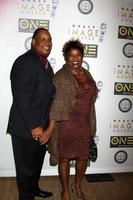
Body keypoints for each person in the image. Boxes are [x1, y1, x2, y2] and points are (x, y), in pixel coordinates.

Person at [41, 39, 98, 200]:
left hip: (84, 123)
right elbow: (56, 105)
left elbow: (91, 97)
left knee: (83, 157)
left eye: (78, 55)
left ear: (82, 56)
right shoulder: (61, 77)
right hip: (66, 124)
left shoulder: (86, 73)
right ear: (66, 57)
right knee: (64, 158)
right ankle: (65, 190)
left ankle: (77, 185)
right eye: (71, 55)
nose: (75, 58)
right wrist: (51, 129)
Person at [7, 28, 55, 200]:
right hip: (27, 128)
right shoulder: (25, 62)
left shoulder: (44, 63)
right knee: (26, 169)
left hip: (41, 128)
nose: (46, 42)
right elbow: (22, 96)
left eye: (49, 39)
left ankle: (34, 189)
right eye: (42, 39)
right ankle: (26, 196)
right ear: (33, 42)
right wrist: (34, 126)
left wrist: (46, 127)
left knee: (35, 165)